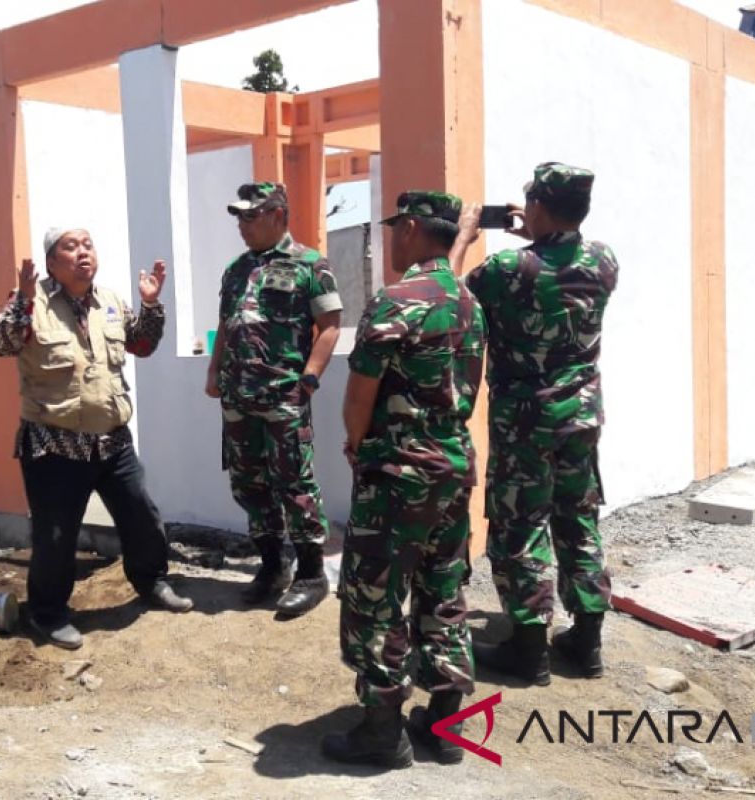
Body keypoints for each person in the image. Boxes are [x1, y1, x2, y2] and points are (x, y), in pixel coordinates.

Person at [321, 192, 486, 768]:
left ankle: (381, 731)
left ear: (412, 229)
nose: (391, 238)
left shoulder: (395, 301)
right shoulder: (468, 302)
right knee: (443, 586)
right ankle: (443, 727)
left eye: (395, 229)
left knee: (376, 597)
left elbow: (360, 392)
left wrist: (357, 446)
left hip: (398, 471)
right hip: (453, 464)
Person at [0, 227, 192, 651]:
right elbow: (0, 343)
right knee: (56, 536)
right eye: (70, 247)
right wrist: (23, 300)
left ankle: (151, 581)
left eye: (88, 245)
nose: (83, 253)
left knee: (140, 515)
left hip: (112, 441)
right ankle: (48, 613)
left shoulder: (111, 302)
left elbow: (142, 344)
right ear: (52, 263)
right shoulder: (31, 302)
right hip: (54, 446)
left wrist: (150, 303)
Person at [464, 163, 618, 686]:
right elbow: (561, 261)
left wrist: (465, 235)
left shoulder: (508, 269)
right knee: (579, 518)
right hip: (581, 417)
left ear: (540, 206)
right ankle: (587, 641)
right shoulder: (604, 261)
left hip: (526, 422)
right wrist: (540, 232)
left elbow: (453, 295)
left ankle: (528, 648)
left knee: (521, 525)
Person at [206, 183, 341, 617]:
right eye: (239, 218)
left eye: (251, 216)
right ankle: (270, 566)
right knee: (249, 482)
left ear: (278, 214)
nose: (242, 225)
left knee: (294, 483)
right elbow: (227, 326)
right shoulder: (236, 269)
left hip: (284, 395)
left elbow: (331, 325)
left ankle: (311, 574)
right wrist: (214, 372)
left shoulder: (309, 264)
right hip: (238, 395)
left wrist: (310, 379)